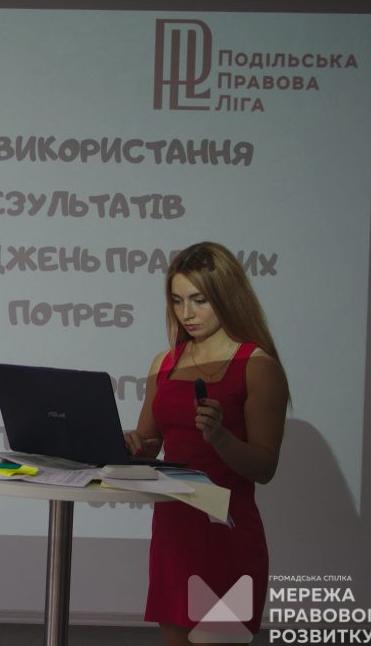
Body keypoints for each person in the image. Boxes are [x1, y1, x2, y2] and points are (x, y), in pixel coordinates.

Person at [124, 242, 289, 645]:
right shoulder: (164, 362)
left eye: (199, 300)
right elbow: (149, 445)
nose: (187, 313)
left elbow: (265, 467)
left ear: (226, 296)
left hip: (225, 533)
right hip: (173, 530)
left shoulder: (257, 365)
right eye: (177, 300)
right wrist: (131, 443)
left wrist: (221, 438)